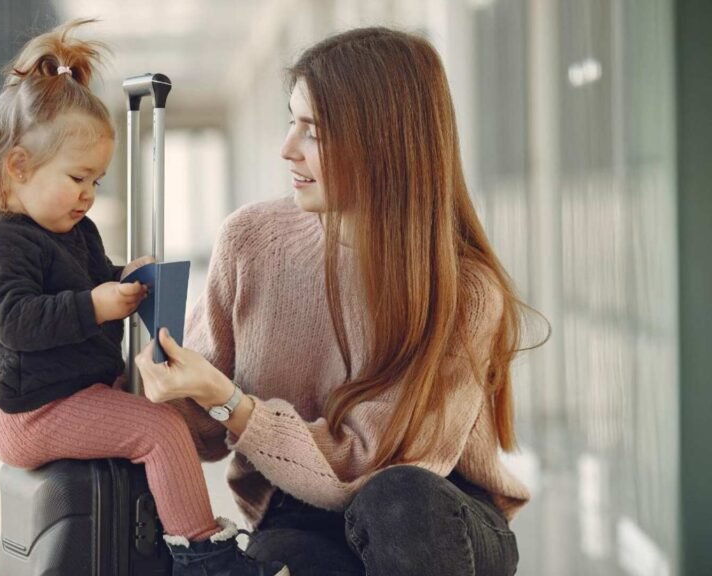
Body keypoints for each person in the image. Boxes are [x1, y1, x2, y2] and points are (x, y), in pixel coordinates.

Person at [135, 26, 543, 576]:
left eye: (314, 131)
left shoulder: (464, 292)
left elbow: (374, 464)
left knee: (399, 503)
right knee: (283, 559)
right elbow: (205, 435)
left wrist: (233, 403)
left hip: (436, 510)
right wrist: (156, 355)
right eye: (290, 121)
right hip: (299, 509)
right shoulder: (251, 242)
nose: (287, 149)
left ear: (383, 141)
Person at [0, 19, 288, 576]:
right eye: (77, 177)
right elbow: (16, 321)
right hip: (32, 411)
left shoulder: (70, 228)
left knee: (158, 406)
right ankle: (203, 555)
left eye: (97, 182)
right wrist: (94, 306)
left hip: (65, 389)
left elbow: (84, 277)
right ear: (18, 167)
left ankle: (169, 537)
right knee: (158, 431)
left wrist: (120, 277)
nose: (87, 194)